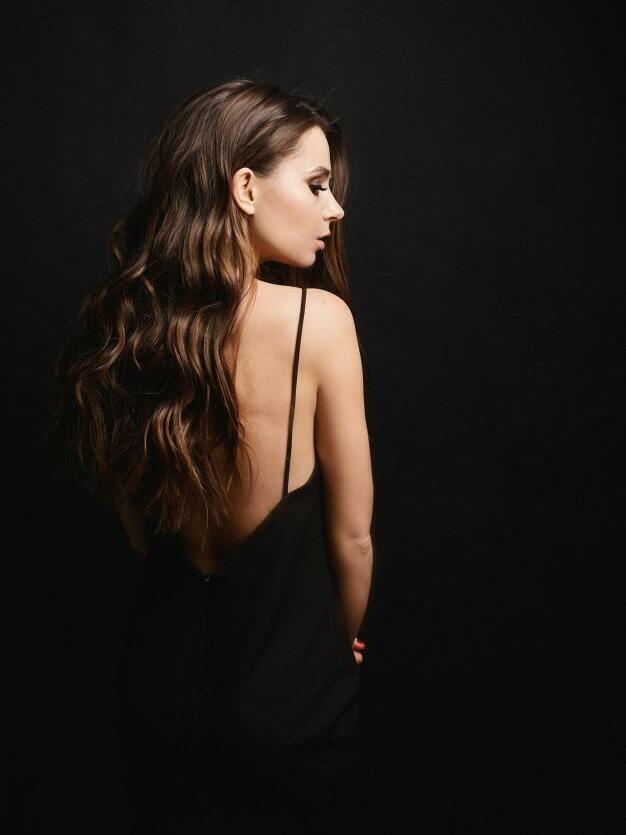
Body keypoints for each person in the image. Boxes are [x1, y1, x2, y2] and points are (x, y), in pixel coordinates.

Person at [48, 78, 375, 831]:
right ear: (246, 188)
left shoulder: (128, 327)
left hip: (155, 695)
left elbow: (138, 532)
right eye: (316, 185)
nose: (335, 209)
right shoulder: (319, 322)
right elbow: (354, 537)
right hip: (288, 701)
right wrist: (337, 641)